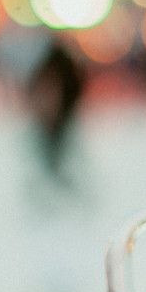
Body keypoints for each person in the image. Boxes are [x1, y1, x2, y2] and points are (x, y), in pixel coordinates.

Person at [26, 35, 88, 193]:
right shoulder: (65, 67)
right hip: (60, 115)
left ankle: (54, 180)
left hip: (55, 116)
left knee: (54, 149)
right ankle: (55, 180)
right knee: (58, 149)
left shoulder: (47, 67)